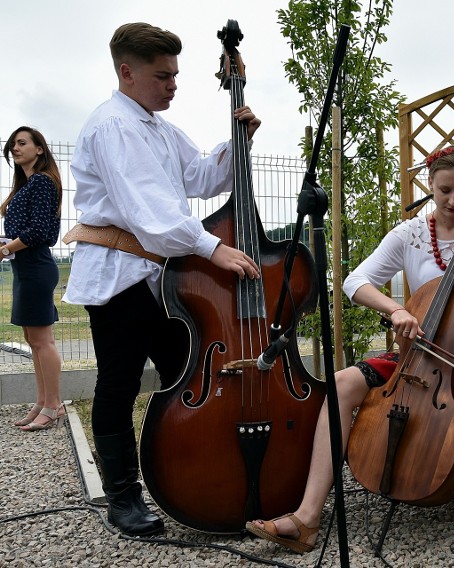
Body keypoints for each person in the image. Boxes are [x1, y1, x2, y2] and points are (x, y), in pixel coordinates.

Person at [248, 146, 454, 568]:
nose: (453, 201)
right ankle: (308, 517)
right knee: (342, 383)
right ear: (430, 185)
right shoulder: (410, 233)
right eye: (445, 190)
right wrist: (396, 309)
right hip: (420, 347)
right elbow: (356, 282)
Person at [63, 22, 261, 536]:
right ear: (127, 72)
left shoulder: (155, 126)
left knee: (183, 380)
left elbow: (197, 177)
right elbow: (149, 213)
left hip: (161, 277)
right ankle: (124, 498)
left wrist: (237, 141)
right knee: (119, 386)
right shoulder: (114, 126)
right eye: (162, 75)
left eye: (175, 75)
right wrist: (213, 247)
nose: (173, 84)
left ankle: (192, 480)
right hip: (121, 275)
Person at [2, 127, 64, 431]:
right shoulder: (25, 186)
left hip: (36, 267)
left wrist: (5, 249)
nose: (15, 147)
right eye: (13, 144)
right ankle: (43, 401)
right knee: (34, 340)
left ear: (39, 149)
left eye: (22, 142)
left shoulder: (41, 182)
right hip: (25, 268)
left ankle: (53, 405)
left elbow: (39, 232)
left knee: (42, 341)